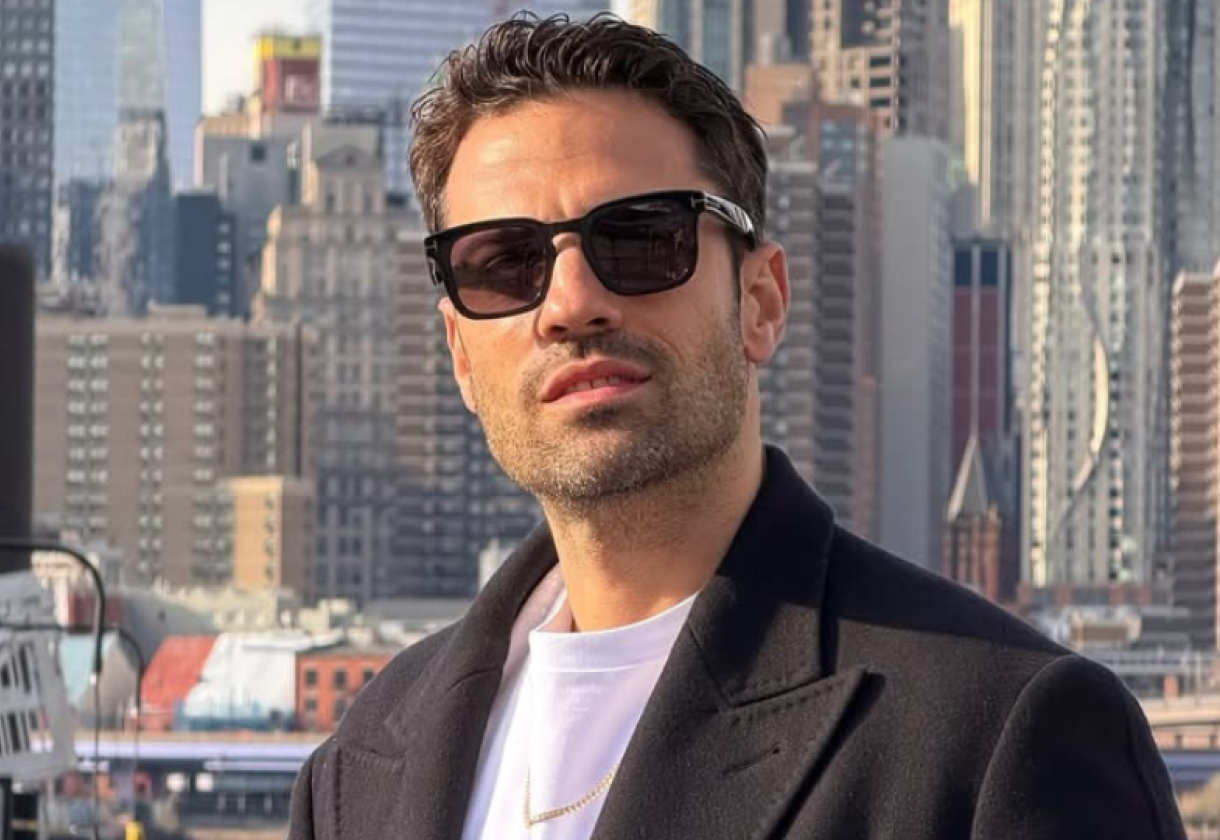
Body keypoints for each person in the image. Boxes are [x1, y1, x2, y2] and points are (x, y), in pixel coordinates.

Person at [288, 13, 1186, 840]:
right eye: (503, 262)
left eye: (640, 238)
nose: (569, 303)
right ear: (459, 352)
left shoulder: (1004, 735)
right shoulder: (356, 771)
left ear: (760, 301)